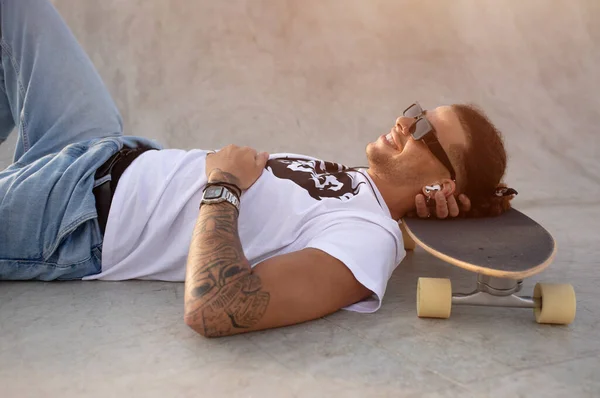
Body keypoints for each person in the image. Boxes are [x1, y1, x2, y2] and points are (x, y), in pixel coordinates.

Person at [0, 0, 515, 337]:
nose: (406, 123)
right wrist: (419, 220)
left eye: (424, 131)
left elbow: (218, 307)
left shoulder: (368, 239)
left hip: (69, 218)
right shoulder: (372, 204)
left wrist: (223, 185)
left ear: (444, 183)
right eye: (417, 113)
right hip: (100, 144)